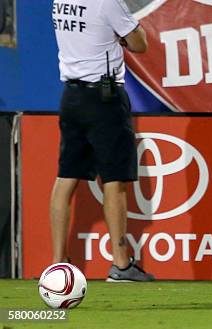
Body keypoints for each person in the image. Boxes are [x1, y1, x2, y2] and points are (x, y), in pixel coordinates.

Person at [50, 0, 154, 282]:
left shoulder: (61, 0)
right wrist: (120, 36)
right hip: (103, 99)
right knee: (114, 179)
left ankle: (57, 264)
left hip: (71, 96)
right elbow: (140, 43)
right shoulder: (107, 1)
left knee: (66, 177)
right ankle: (121, 265)